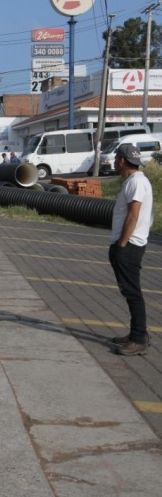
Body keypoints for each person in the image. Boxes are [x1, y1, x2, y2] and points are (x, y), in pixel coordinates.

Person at [109, 143, 154, 356]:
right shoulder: (136, 181)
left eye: (116, 158)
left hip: (129, 246)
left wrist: (121, 245)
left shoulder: (135, 183)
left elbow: (133, 215)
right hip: (132, 244)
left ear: (121, 161)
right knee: (129, 291)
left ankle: (138, 338)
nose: (114, 162)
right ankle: (137, 333)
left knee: (132, 292)